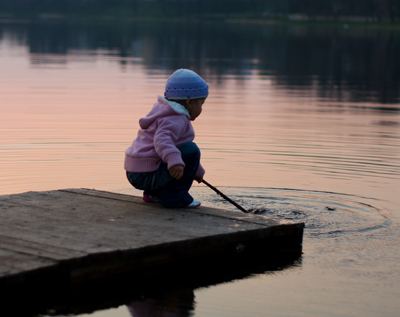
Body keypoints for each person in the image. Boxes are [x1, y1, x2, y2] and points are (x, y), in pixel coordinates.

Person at [124, 69, 208, 208]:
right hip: (146, 174)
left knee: (185, 151)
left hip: (136, 171)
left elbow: (178, 146)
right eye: (201, 103)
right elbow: (162, 140)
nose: (201, 109)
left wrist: (195, 171)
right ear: (190, 102)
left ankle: (153, 194)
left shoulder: (163, 112)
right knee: (192, 149)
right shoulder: (177, 118)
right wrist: (175, 161)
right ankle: (176, 198)